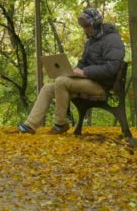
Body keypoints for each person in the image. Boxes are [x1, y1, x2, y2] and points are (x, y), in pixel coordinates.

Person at [18, 7, 125, 135]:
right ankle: (30, 125)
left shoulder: (112, 40)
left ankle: (60, 124)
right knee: (47, 88)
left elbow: (111, 68)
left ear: (95, 24)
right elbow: (83, 63)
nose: (85, 29)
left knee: (61, 82)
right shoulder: (90, 42)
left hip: (101, 85)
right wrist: (72, 71)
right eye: (83, 26)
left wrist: (84, 72)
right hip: (88, 81)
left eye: (87, 25)